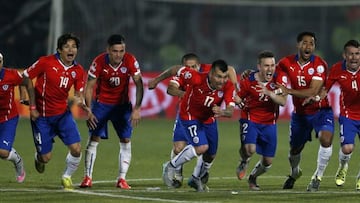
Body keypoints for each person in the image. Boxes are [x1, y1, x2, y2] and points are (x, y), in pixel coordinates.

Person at [149, 54, 239, 188]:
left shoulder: (228, 86)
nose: (222, 81)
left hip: (208, 119)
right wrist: (156, 80)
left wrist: (223, 112)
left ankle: (195, 178)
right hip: (190, 115)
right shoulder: (196, 77)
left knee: (211, 155)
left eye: (224, 77)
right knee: (201, 147)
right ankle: (170, 166)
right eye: (218, 77)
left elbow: (231, 111)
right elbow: (175, 69)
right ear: (211, 74)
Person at [23, 33, 96, 190]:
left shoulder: (77, 70)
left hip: (62, 115)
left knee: (76, 149)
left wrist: (83, 105)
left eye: (74, 47)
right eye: (67, 46)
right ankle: (39, 158)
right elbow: (26, 76)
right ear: (59, 49)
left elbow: (78, 94)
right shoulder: (46, 62)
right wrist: (32, 106)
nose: (71, 50)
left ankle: (67, 176)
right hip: (41, 117)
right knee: (45, 157)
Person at [79, 34, 144, 189]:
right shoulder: (99, 62)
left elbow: (139, 84)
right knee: (94, 139)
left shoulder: (130, 60)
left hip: (122, 106)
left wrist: (137, 108)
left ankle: (121, 179)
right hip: (102, 105)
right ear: (108, 50)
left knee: (126, 140)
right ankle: (87, 177)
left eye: (121, 51)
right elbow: (89, 87)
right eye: (115, 51)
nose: (118, 55)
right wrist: (89, 109)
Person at [276, 31, 334, 192]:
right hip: (300, 115)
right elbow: (274, 78)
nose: (308, 46)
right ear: (298, 45)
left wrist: (288, 90)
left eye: (312, 43)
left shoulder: (320, 64)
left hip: (321, 111)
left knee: (326, 139)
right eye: (305, 43)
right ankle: (295, 173)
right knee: (295, 149)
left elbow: (313, 91)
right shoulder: (285, 63)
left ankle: (317, 177)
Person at [235, 51, 287, 190]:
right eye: (266, 66)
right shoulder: (248, 81)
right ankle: (244, 161)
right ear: (259, 66)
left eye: (272, 65)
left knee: (267, 162)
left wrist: (269, 93)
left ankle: (253, 177)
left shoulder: (279, 79)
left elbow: (283, 101)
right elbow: (237, 97)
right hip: (250, 118)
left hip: (270, 123)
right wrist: (240, 103)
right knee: (249, 149)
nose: (270, 69)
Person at [322, 40, 360, 189]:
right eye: (351, 54)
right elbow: (326, 88)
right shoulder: (337, 69)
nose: (354, 57)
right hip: (348, 114)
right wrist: (318, 97)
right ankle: (342, 167)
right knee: (347, 149)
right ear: (345, 55)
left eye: (357, 54)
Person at [0, 53, 39, 183]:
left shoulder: (10, 75)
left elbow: (26, 81)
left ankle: (18, 161)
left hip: (8, 118)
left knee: (3, 153)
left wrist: (25, 98)